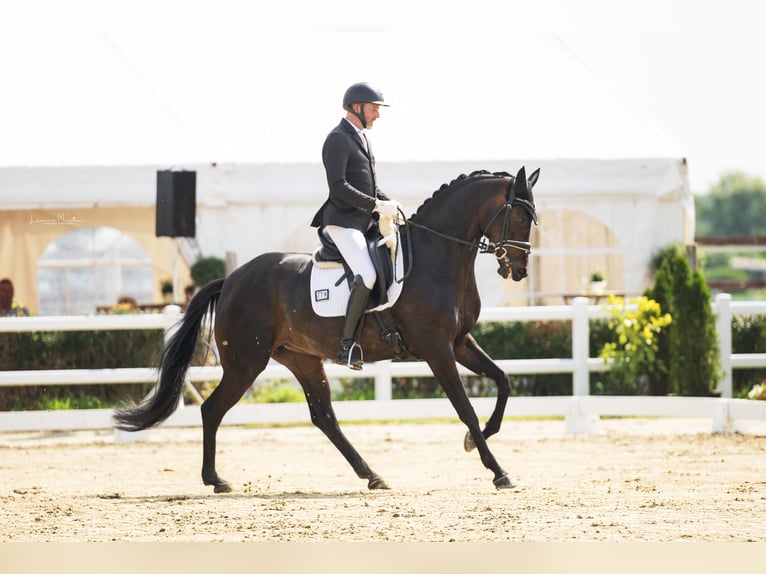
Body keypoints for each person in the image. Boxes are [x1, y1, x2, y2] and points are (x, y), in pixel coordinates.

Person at [311, 82, 401, 370]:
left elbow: (370, 185)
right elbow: (339, 188)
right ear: (357, 107)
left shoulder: (361, 138)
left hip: (362, 222)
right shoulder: (337, 139)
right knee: (366, 272)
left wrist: (392, 204)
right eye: (374, 109)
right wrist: (376, 206)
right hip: (343, 223)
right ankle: (346, 346)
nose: (377, 115)